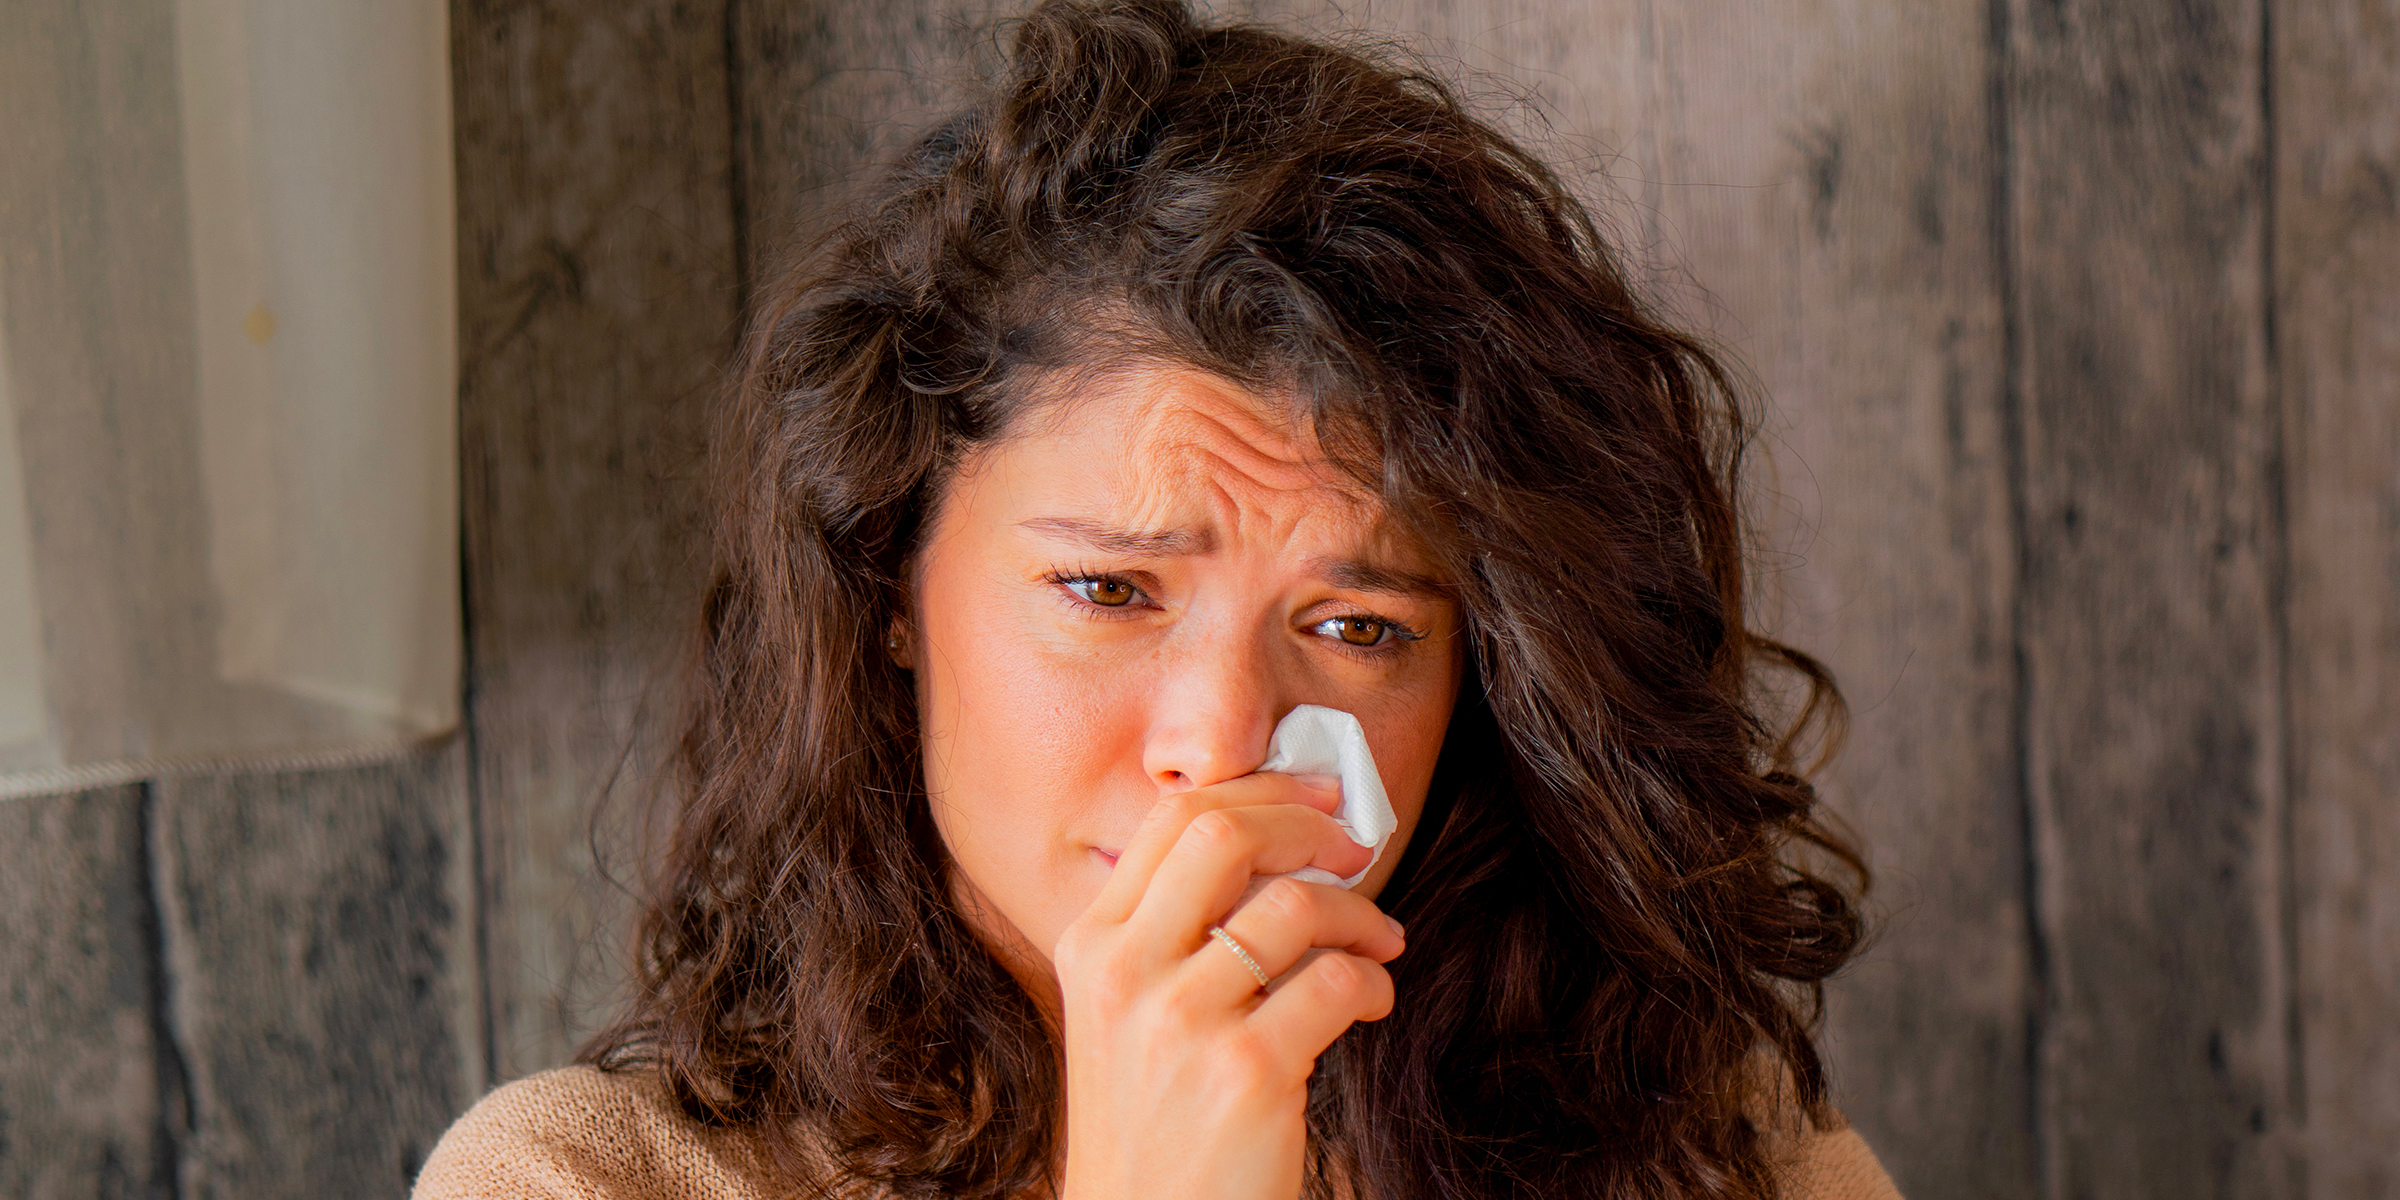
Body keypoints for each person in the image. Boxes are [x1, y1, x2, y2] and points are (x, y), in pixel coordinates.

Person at [415, 1, 1899, 1196]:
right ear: (886, 588)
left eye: (1361, 627)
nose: (1224, 741)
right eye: (1110, 590)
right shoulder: (582, 1182)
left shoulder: (1709, 1145)